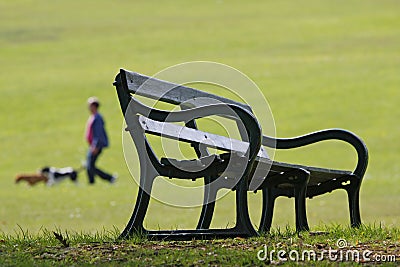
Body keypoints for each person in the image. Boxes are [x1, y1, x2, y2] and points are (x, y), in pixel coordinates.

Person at [85, 97, 116, 184]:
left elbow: (98, 134)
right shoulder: (93, 117)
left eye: (90, 105)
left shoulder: (97, 118)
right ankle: (93, 182)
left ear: (94, 106)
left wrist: (95, 146)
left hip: (96, 146)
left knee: (90, 166)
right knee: (90, 165)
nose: (88, 107)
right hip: (92, 145)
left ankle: (109, 178)